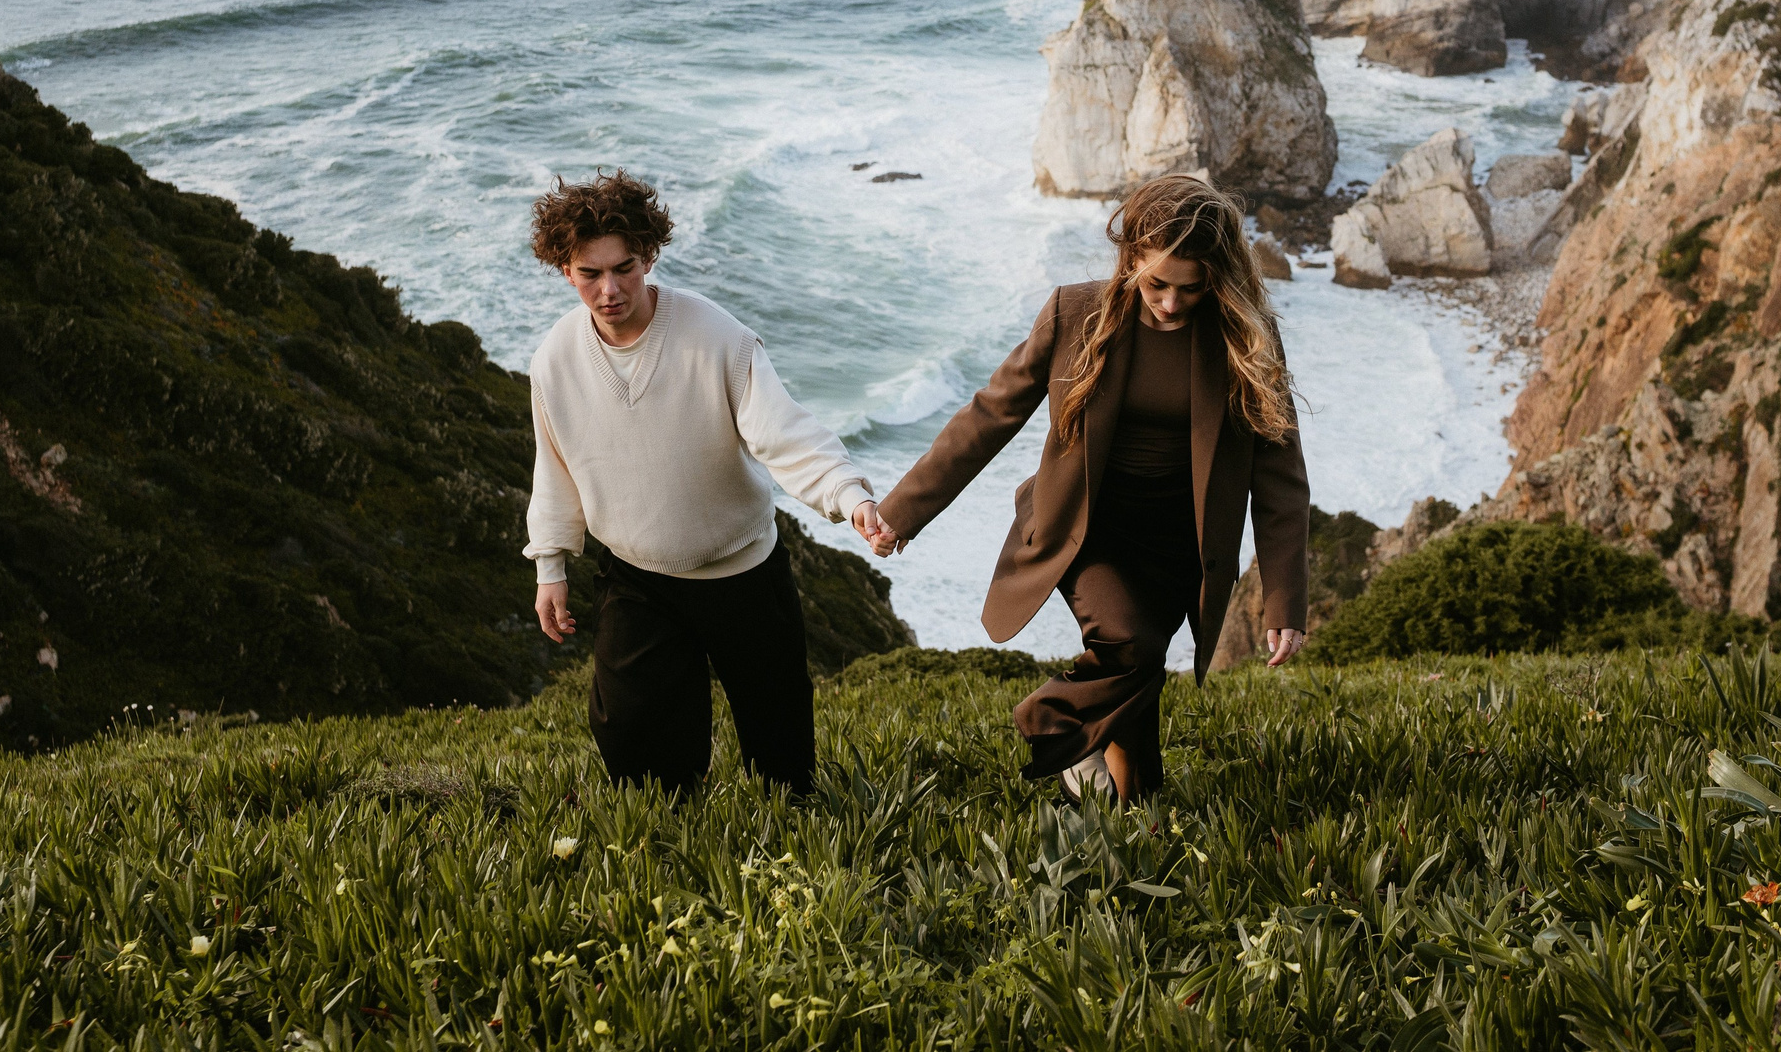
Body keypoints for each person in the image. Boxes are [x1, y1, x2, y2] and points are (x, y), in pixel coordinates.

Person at [866, 174, 1311, 802]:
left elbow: (1281, 476)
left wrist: (1285, 599)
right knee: (1128, 644)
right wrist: (900, 513)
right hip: (1088, 529)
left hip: (1181, 543)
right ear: (1129, 258)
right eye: (1156, 283)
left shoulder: (1246, 337)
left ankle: (1136, 814)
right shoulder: (1073, 314)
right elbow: (989, 415)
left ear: (1217, 275)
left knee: (1140, 678)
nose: (1170, 303)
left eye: (1191, 287)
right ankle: (1056, 725)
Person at [522, 170, 889, 797]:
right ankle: (675, 859)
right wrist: (550, 566)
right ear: (566, 270)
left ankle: (794, 857)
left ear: (649, 255)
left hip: (742, 574)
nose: (609, 289)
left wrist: (849, 495)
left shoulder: (718, 336)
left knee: (781, 755)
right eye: (590, 273)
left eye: (624, 267)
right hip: (636, 579)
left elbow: (784, 432)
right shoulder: (554, 359)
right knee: (637, 753)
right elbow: (554, 468)